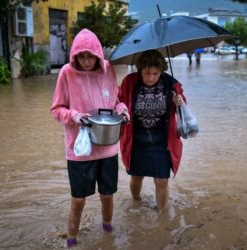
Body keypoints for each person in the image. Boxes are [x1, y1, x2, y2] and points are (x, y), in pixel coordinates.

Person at [50, 28, 129, 248]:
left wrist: (123, 111)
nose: (86, 61)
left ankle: (107, 232)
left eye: (90, 56)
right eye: (81, 56)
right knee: (78, 200)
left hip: (108, 148)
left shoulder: (108, 70)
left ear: (98, 54)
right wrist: (75, 116)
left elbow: (116, 102)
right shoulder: (66, 72)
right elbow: (56, 109)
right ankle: (71, 240)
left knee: (107, 195)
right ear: (75, 56)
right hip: (80, 151)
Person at [118, 49, 186, 212]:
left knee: (162, 181)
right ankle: (136, 201)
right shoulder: (129, 82)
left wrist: (179, 101)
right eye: (146, 73)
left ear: (161, 71)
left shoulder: (171, 84)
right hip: (136, 140)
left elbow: (183, 105)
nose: (150, 78)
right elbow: (118, 100)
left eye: (155, 74)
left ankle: (163, 213)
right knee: (136, 176)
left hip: (162, 141)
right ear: (140, 70)